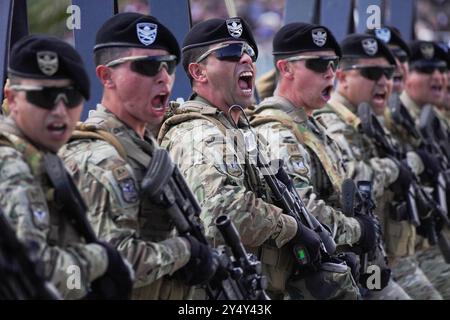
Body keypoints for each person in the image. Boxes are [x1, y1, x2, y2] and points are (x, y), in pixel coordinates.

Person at [158, 17, 360, 300]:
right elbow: (220, 209)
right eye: (230, 53)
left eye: (249, 53)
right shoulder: (197, 132)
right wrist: (293, 229)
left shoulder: (239, 129)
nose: (245, 59)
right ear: (199, 72)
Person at [59, 13, 216, 300]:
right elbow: (115, 259)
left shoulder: (144, 144)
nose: (163, 77)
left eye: (168, 66)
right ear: (107, 76)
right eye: (146, 66)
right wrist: (185, 251)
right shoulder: (100, 157)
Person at [1, 34, 133, 299]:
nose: (60, 111)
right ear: (12, 99)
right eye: (45, 97)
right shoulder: (12, 167)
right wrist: (101, 260)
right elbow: (39, 272)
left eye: (71, 97)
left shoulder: (38, 157)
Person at [249, 23, 377, 269]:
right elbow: (302, 208)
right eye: (318, 64)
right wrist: (358, 230)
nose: (329, 73)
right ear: (286, 68)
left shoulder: (310, 124)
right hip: (308, 276)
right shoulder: (275, 130)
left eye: (333, 64)